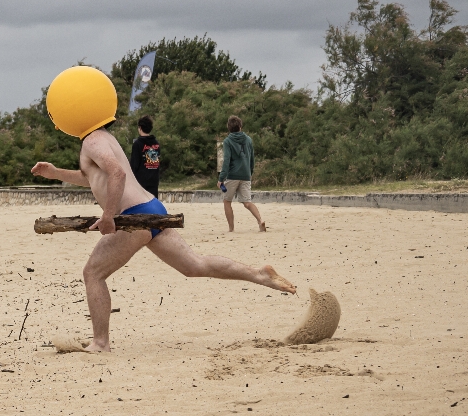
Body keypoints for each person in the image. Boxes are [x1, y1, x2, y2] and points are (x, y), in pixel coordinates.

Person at [30, 66, 296, 353]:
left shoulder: (93, 141)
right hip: (151, 208)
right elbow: (93, 178)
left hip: (135, 217)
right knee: (194, 266)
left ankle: (100, 342)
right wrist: (57, 173)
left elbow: (117, 174)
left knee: (93, 273)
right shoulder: (100, 138)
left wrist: (108, 216)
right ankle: (260, 274)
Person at [219, 115, 266, 233]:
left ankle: (231, 228)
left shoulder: (227, 141)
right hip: (246, 174)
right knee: (247, 202)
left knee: (227, 201)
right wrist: (250, 172)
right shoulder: (248, 139)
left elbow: (226, 161)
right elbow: (252, 159)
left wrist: (221, 178)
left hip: (232, 176)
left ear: (229, 128)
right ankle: (260, 221)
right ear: (240, 126)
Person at [129, 115, 161, 198]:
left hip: (140, 181)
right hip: (154, 179)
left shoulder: (138, 144)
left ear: (140, 128)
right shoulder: (156, 143)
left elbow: (134, 165)